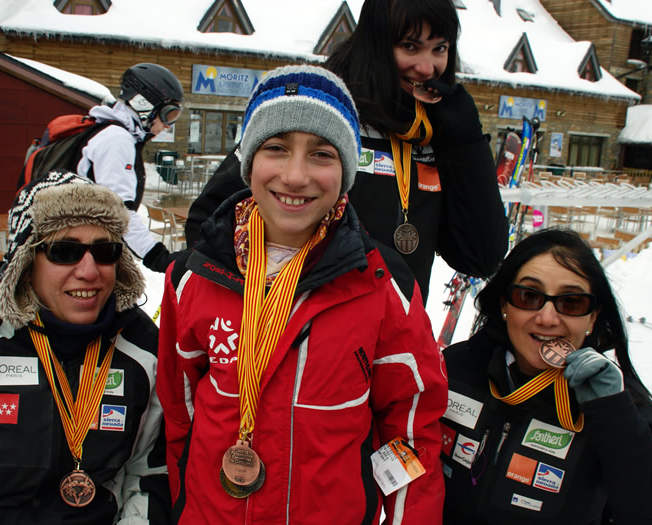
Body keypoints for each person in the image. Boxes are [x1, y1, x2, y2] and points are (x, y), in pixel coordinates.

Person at [157, 65, 448, 523]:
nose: (295, 176)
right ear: (249, 160)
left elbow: (411, 428)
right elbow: (179, 414)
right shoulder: (193, 275)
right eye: (276, 148)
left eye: (321, 154)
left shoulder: (383, 286)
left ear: (346, 171)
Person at [184, 0, 509, 303]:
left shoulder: (436, 133)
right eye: (409, 46)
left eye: (440, 48)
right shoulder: (320, 111)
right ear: (375, 45)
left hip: (393, 345)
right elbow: (206, 224)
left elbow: (479, 257)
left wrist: (467, 144)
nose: (427, 68)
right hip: (296, 336)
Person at [0, 171, 169, 524]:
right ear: (26, 262)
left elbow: (153, 476)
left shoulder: (144, 351)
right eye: (65, 251)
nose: (89, 271)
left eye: (105, 251)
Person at [439, 228, 652, 524]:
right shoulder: (454, 367)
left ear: (592, 316)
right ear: (504, 304)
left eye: (571, 302)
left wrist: (615, 415)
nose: (547, 318)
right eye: (528, 296)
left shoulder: (619, 401)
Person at [78, 62, 185, 272]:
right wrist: (158, 257)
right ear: (143, 104)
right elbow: (118, 210)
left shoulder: (109, 132)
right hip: (83, 254)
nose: (168, 126)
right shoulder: (117, 140)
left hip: (87, 247)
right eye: (168, 115)